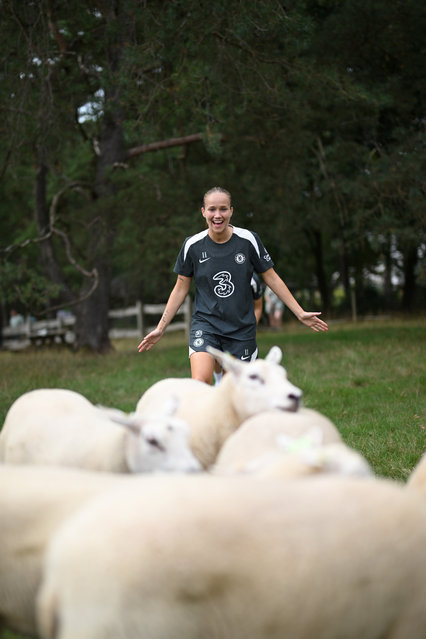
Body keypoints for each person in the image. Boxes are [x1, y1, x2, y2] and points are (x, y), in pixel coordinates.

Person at [138, 186, 328, 384]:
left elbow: (271, 277)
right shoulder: (192, 245)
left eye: (223, 209)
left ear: (231, 211)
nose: (217, 215)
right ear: (203, 212)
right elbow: (180, 288)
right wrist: (161, 328)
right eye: (212, 209)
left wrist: (299, 312)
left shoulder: (248, 240)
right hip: (206, 325)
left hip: (241, 330)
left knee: (234, 390)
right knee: (200, 383)